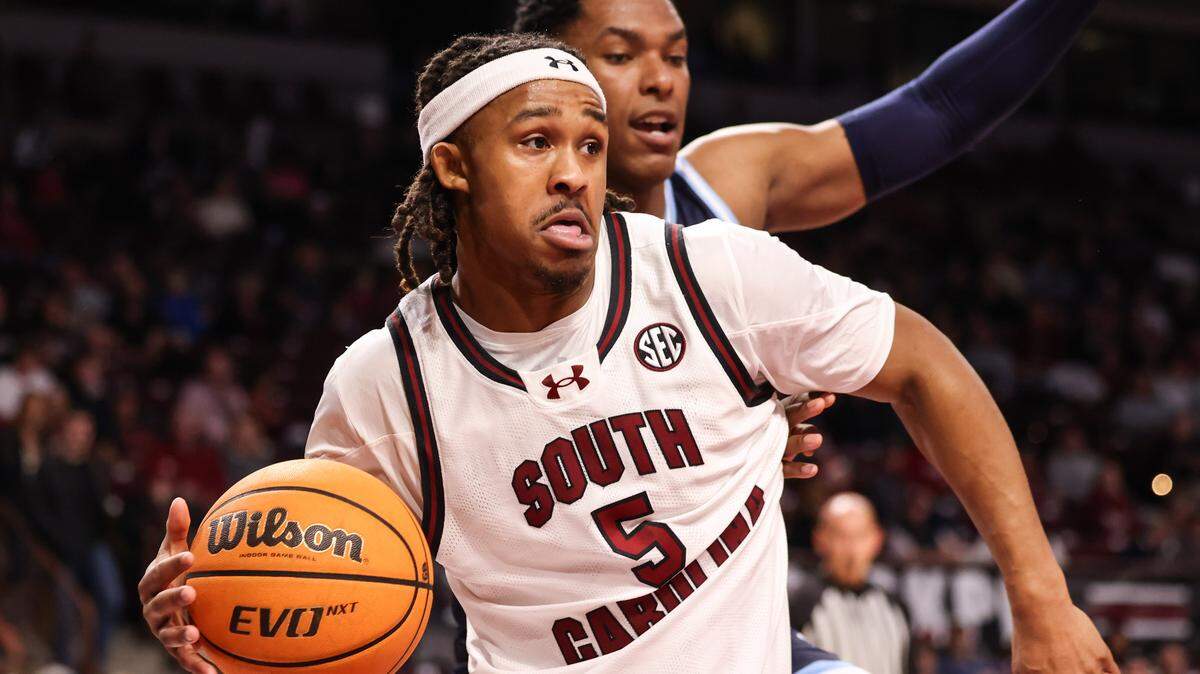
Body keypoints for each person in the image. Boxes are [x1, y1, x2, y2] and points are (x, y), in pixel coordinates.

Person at [139, 32, 1116, 673]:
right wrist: (217, 623)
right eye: (534, 143)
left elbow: (925, 362)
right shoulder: (385, 384)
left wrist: (1039, 594)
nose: (572, 172)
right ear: (453, 165)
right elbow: (322, 598)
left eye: (590, 146)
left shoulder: (710, 273)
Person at [513, 0, 1098, 230]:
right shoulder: (495, 240)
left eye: (678, 57)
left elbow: (938, 110)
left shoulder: (724, 184)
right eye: (621, 55)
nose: (661, 80)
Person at [792, 492, 911, 674]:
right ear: (820, 539)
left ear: (877, 538)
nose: (851, 547)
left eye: (860, 535)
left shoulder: (894, 605)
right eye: (840, 535)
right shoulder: (800, 602)